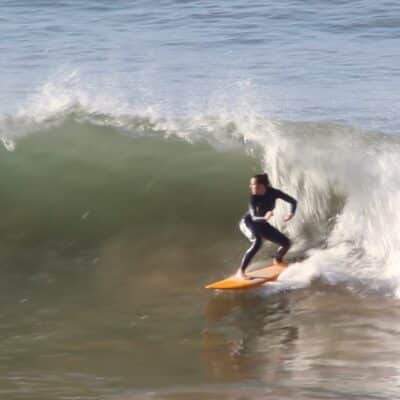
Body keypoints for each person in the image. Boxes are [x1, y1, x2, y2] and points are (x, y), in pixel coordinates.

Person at [238, 173, 297, 279]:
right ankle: (241, 272)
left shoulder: (273, 192)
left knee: (286, 243)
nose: (250, 186)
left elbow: (293, 201)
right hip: (248, 222)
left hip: (261, 224)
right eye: (250, 184)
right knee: (257, 242)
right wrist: (265, 217)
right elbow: (254, 217)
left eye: (253, 184)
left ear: (262, 186)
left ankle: (277, 260)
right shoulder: (253, 198)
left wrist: (291, 213)